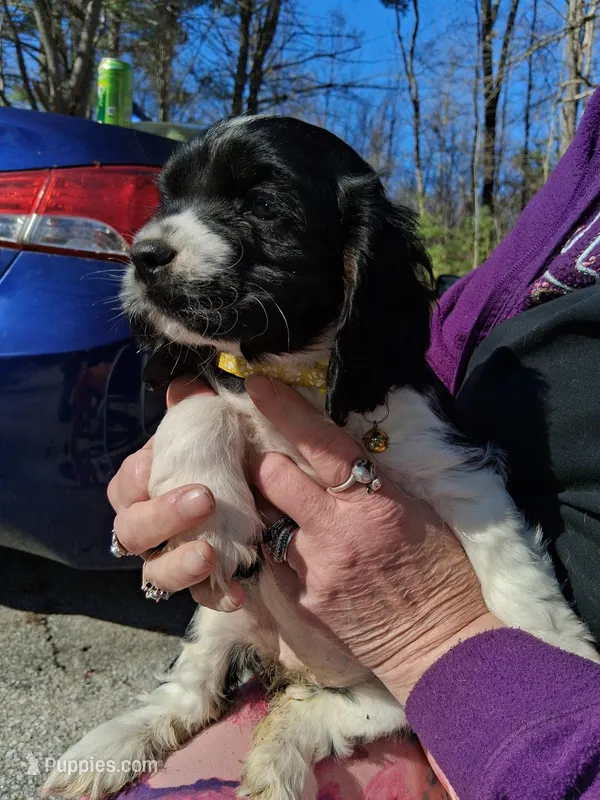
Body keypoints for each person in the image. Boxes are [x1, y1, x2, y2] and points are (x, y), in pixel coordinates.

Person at [107, 89, 600, 799]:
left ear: (353, 260)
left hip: (469, 706)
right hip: (294, 660)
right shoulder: (227, 388)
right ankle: (182, 698)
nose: (155, 240)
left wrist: (541, 673)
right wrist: (193, 443)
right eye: (171, 201)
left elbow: (475, 504)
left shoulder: (397, 399)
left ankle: (306, 720)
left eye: (262, 206)